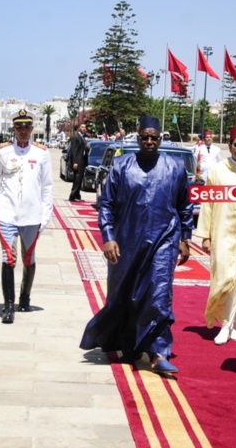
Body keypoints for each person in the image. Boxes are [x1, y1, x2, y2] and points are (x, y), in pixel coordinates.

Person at [79, 116, 194, 374]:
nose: (150, 141)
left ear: (160, 138)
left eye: (155, 137)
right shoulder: (122, 165)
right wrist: (108, 237)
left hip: (165, 239)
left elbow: (184, 206)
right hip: (127, 241)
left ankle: (157, 353)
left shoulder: (175, 167)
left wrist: (185, 238)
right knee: (126, 295)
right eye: (145, 137)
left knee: (159, 295)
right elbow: (106, 204)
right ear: (138, 136)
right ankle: (127, 342)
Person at [194, 125, 236, 345]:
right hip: (221, 233)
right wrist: (205, 235)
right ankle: (223, 319)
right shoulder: (217, 171)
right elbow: (207, 205)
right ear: (230, 146)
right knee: (222, 279)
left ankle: (228, 324)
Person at [0, 109, 53, 324]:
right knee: (8, 258)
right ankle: (8, 306)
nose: (23, 131)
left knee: (28, 258)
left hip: (32, 214)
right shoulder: (3, 152)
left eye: (27, 127)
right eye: (19, 127)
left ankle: (24, 297)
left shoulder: (41, 153)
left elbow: (48, 187)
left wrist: (46, 213)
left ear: (32, 129)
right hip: (7, 213)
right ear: (13, 129)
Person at [68, 123, 89, 202]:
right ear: (79, 128)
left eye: (85, 127)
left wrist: (87, 148)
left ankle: (77, 195)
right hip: (78, 161)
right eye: (82, 127)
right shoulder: (76, 137)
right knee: (77, 179)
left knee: (80, 179)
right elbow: (74, 151)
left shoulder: (83, 137)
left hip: (82, 161)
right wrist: (75, 162)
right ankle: (72, 196)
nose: (84, 128)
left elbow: (82, 149)